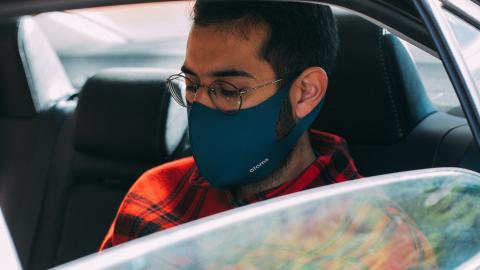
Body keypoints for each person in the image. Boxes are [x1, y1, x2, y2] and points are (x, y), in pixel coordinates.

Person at [100, 1, 362, 250]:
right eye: (191, 86)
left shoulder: (366, 228)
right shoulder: (154, 196)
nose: (200, 107)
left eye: (228, 90)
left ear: (305, 93)